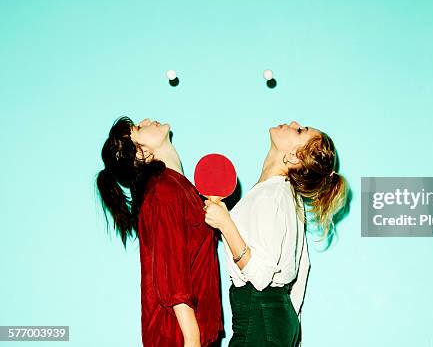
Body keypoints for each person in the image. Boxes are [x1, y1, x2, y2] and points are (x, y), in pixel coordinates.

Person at [204, 121, 348, 347]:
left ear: (293, 156)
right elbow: (303, 268)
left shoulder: (271, 195)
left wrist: (225, 224)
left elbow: (260, 277)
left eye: (300, 131)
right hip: (279, 321)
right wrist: (286, 321)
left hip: (258, 318)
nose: (293, 123)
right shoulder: (286, 195)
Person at [96, 117, 224, 347]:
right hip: (181, 338)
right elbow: (173, 280)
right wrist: (193, 339)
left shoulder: (179, 188)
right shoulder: (164, 191)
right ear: (142, 154)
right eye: (138, 128)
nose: (147, 120)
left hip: (197, 335)